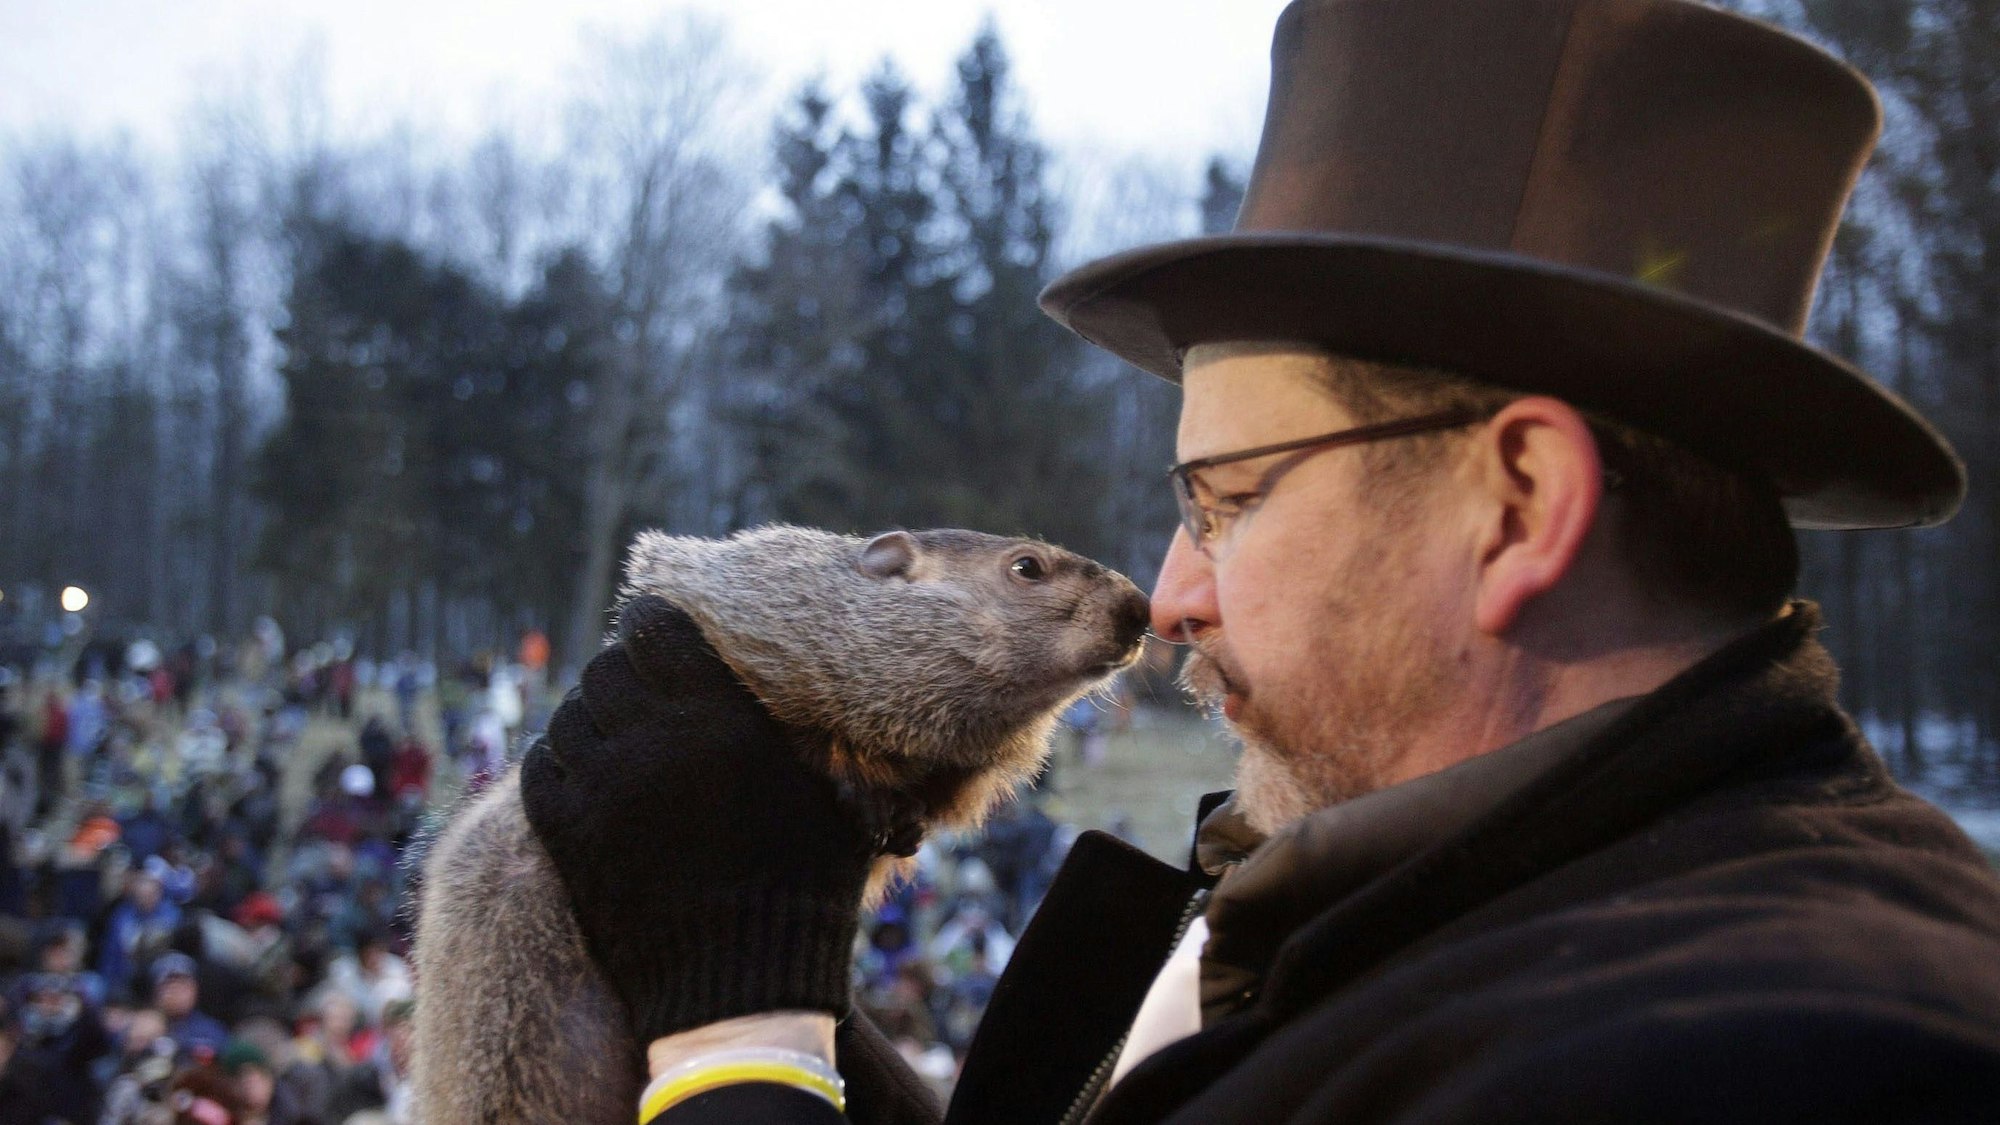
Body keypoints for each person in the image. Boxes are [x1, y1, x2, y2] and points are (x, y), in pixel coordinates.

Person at [516, 0, 2000, 1122]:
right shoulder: (1434, 897)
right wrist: (767, 965)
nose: (1169, 596)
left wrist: (740, 1055)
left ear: (1519, 504)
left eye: (1227, 501)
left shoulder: (1768, 1053)